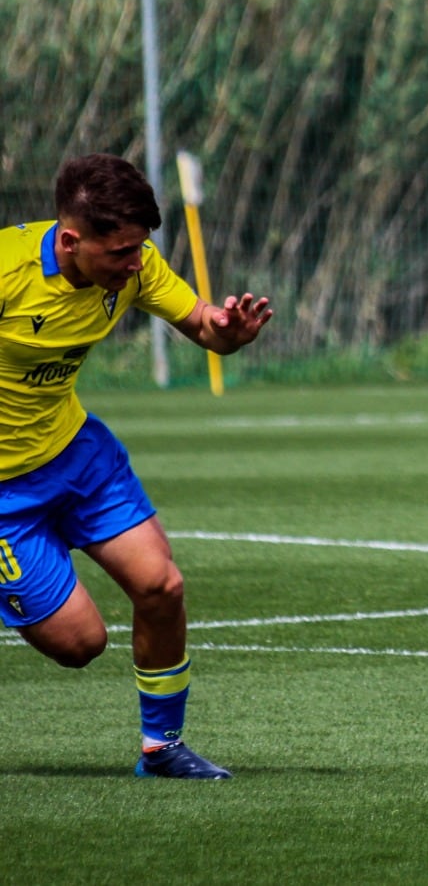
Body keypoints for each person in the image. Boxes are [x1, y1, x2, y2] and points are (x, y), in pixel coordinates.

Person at [1, 153, 273, 777]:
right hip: (4, 495)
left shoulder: (136, 265)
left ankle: (163, 749)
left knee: (161, 586)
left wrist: (228, 330)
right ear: (71, 240)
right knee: (80, 645)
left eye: (139, 249)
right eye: (120, 252)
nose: (134, 264)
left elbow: (203, 324)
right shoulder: (7, 273)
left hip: (77, 458)